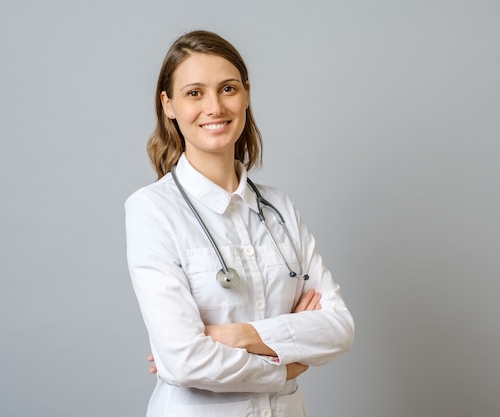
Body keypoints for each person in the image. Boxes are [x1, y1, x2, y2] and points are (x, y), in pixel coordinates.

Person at [124, 30, 355, 417]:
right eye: (194, 93)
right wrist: (288, 363)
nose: (214, 107)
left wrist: (238, 336)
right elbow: (184, 359)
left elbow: (338, 329)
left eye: (227, 89)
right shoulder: (152, 210)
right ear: (168, 105)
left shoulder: (279, 207)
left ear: (246, 94)